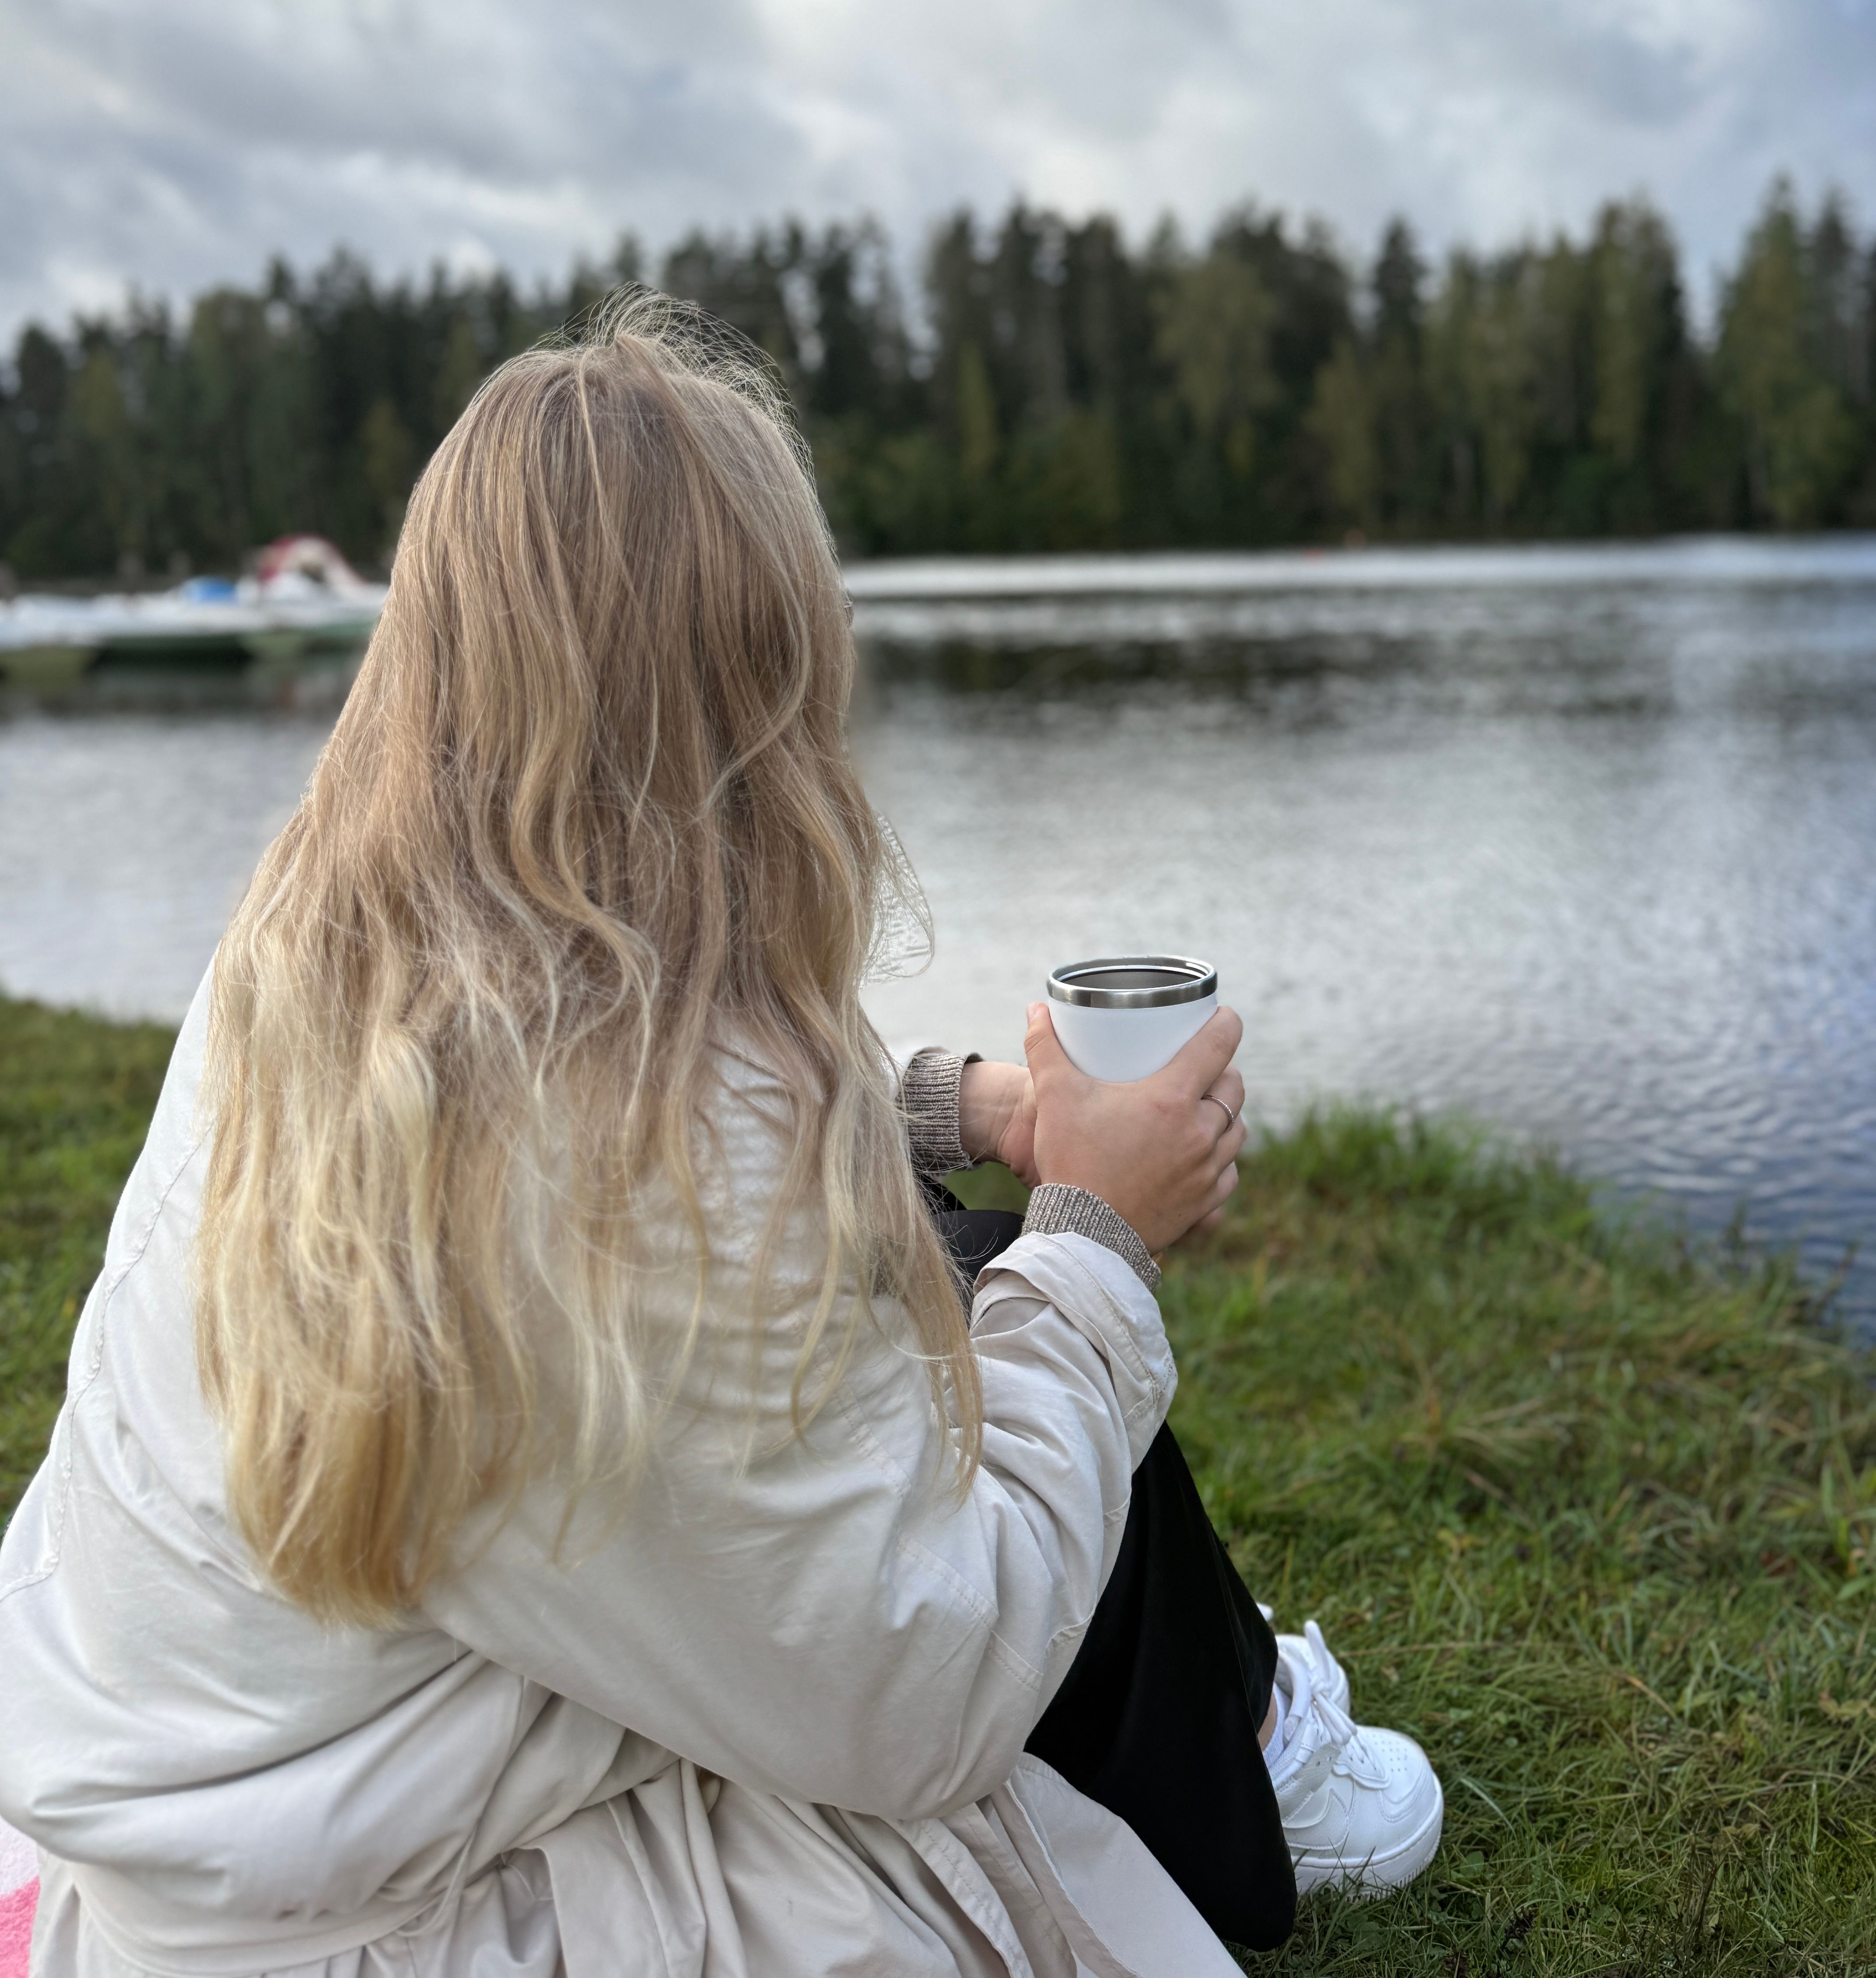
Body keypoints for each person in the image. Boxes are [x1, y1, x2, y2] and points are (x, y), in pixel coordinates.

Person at [0, 298, 1440, 1978]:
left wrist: (957, 1108)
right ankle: (1245, 1750)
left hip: (218, 1807)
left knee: (957, 1261)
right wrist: (1101, 1232)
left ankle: (1235, 1704)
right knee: (1003, 1332)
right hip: (386, 1916)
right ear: (747, 672)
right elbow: (919, 1687)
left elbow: (654, 1092)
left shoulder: (329, 938)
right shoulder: (599, 1188)